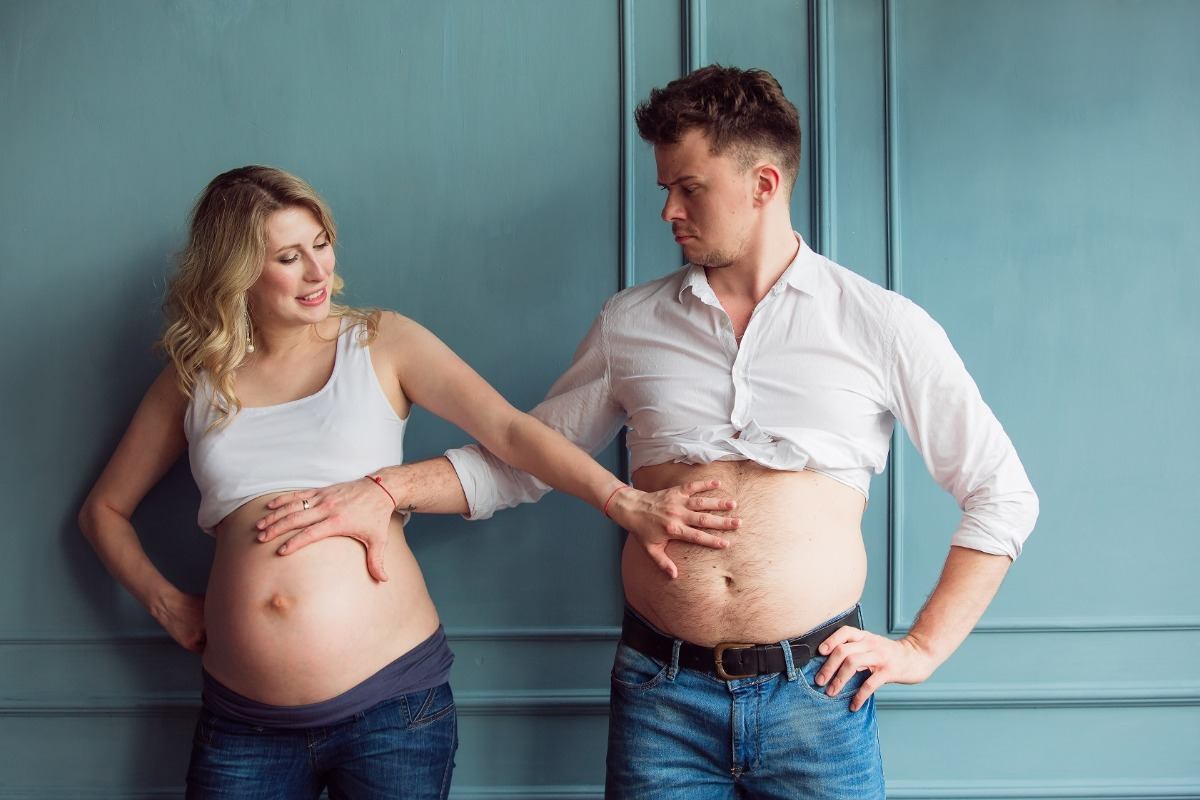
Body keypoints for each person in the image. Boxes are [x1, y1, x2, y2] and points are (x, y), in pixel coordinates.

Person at [257, 66, 1039, 799]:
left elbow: (1001, 494)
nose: (668, 211)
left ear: (764, 184)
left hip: (818, 701)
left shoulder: (880, 324)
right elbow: (525, 462)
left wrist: (922, 649)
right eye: (666, 188)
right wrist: (383, 490)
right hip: (662, 699)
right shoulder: (631, 323)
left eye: (689, 189)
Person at [77, 166, 739, 800]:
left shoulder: (379, 341)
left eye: (321, 243)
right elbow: (103, 509)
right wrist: (165, 602)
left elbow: (511, 433)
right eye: (288, 257)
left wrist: (625, 502)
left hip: (391, 711)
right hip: (244, 722)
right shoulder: (196, 378)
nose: (318, 271)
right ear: (238, 270)